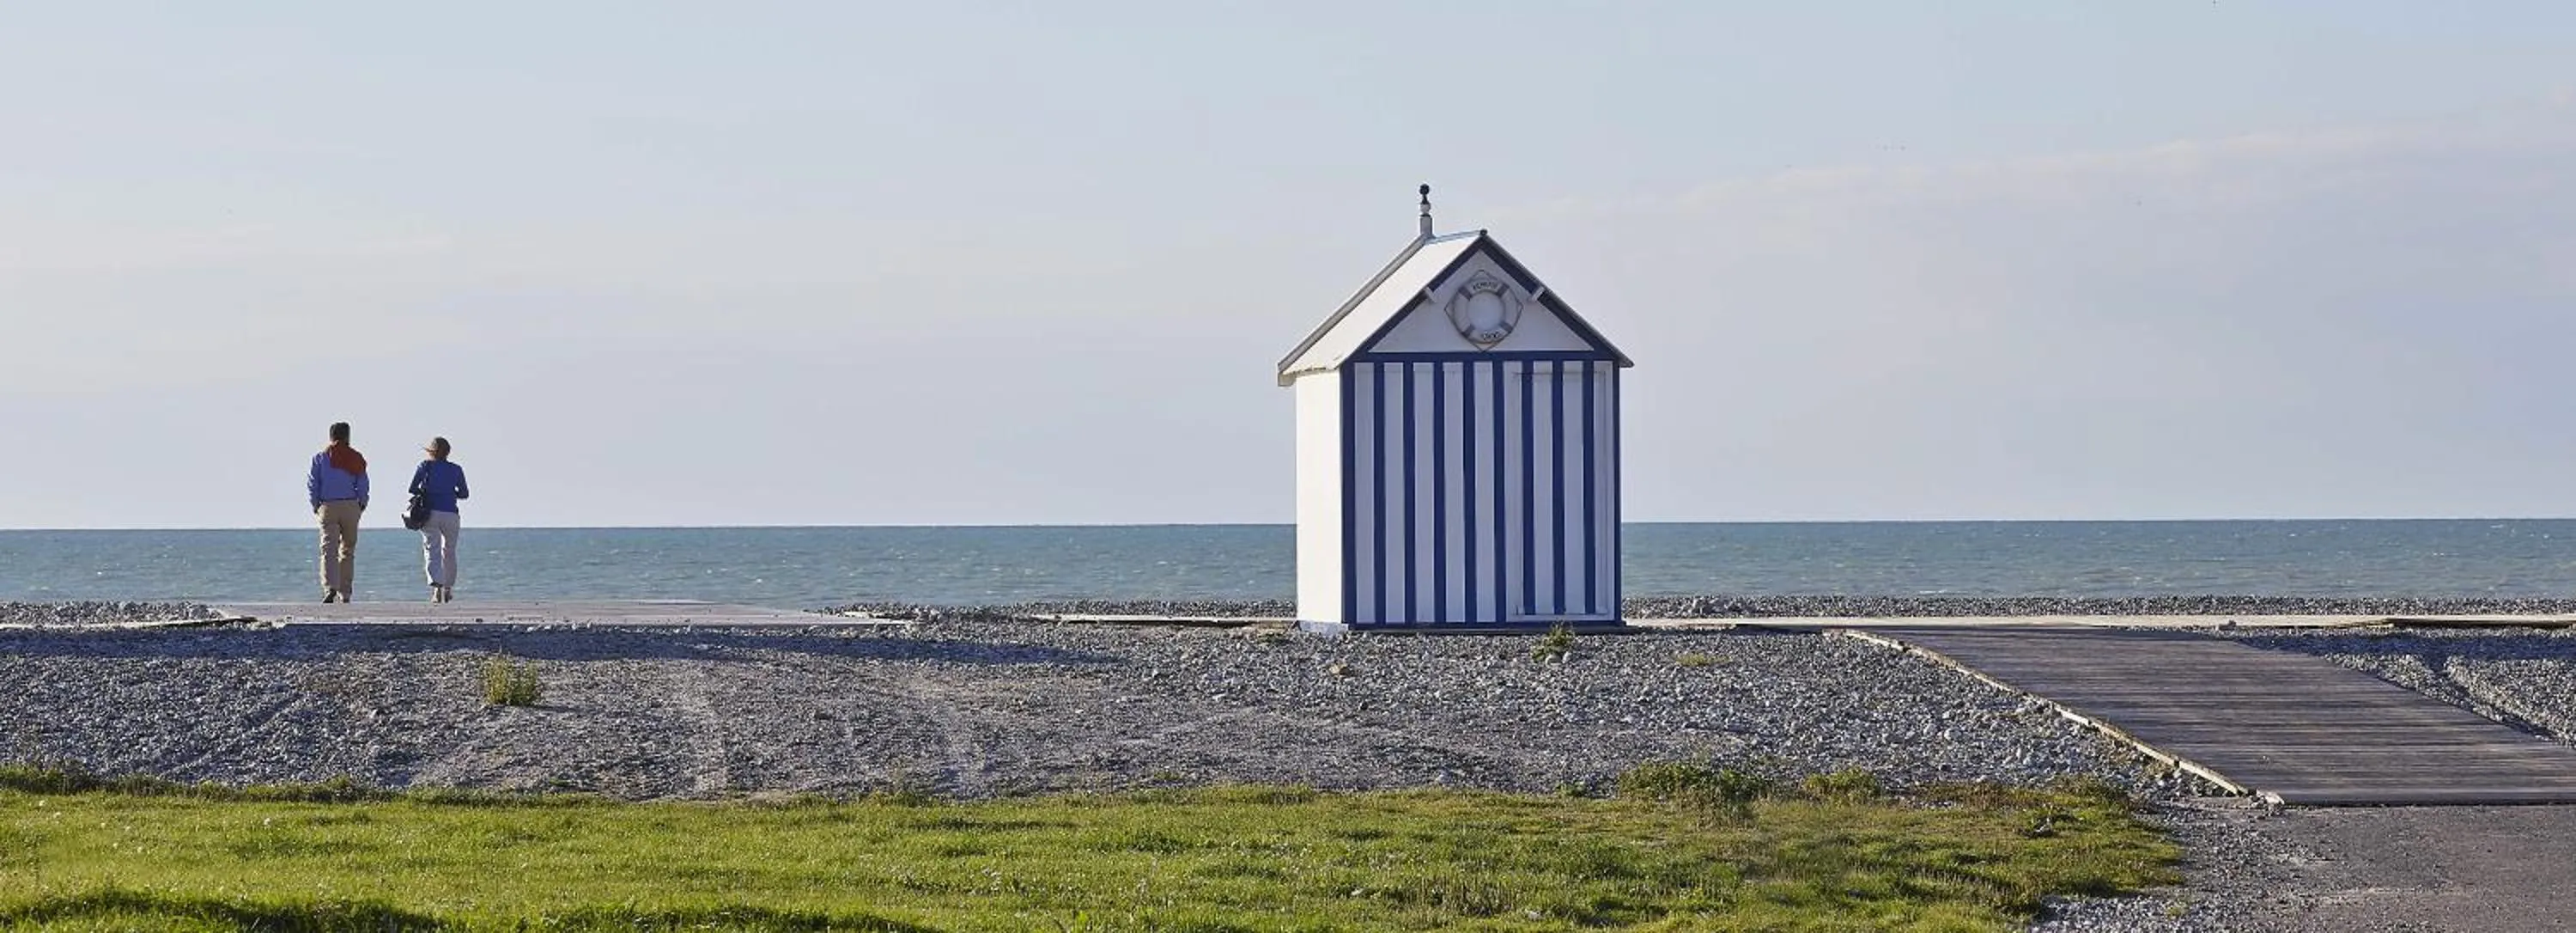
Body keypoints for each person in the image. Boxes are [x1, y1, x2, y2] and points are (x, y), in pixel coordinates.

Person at [307, 421, 369, 602]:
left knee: (328, 549)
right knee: (348, 551)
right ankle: (345, 592)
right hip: (350, 506)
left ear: (331, 436)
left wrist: (315, 504)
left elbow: (313, 483)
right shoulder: (356, 457)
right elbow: (363, 482)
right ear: (347, 436)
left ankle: (330, 588)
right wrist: (362, 503)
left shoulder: (320, 458)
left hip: (328, 506)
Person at [409, 436, 470, 603]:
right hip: (451, 513)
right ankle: (448, 589)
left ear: (431, 451)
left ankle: (437, 590)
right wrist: (450, 494)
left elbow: (412, 488)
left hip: (431, 513)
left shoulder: (425, 466)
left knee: (432, 549)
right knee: (449, 551)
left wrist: (427, 491)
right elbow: (464, 494)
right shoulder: (456, 469)